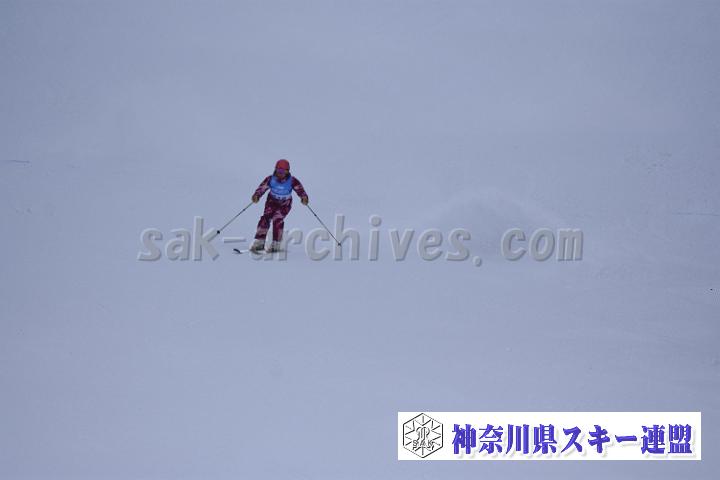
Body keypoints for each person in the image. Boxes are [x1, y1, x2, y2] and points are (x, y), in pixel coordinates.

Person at [250, 159, 309, 252]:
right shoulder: (270, 179)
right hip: (272, 201)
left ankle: (276, 243)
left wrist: (304, 197)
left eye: (283, 171)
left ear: (287, 171)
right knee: (265, 218)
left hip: (285, 203)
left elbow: (300, 189)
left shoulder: (292, 180)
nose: (280, 173)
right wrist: (256, 195)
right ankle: (260, 242)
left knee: (277, 219)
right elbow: (262, 188)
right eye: (278, 170)